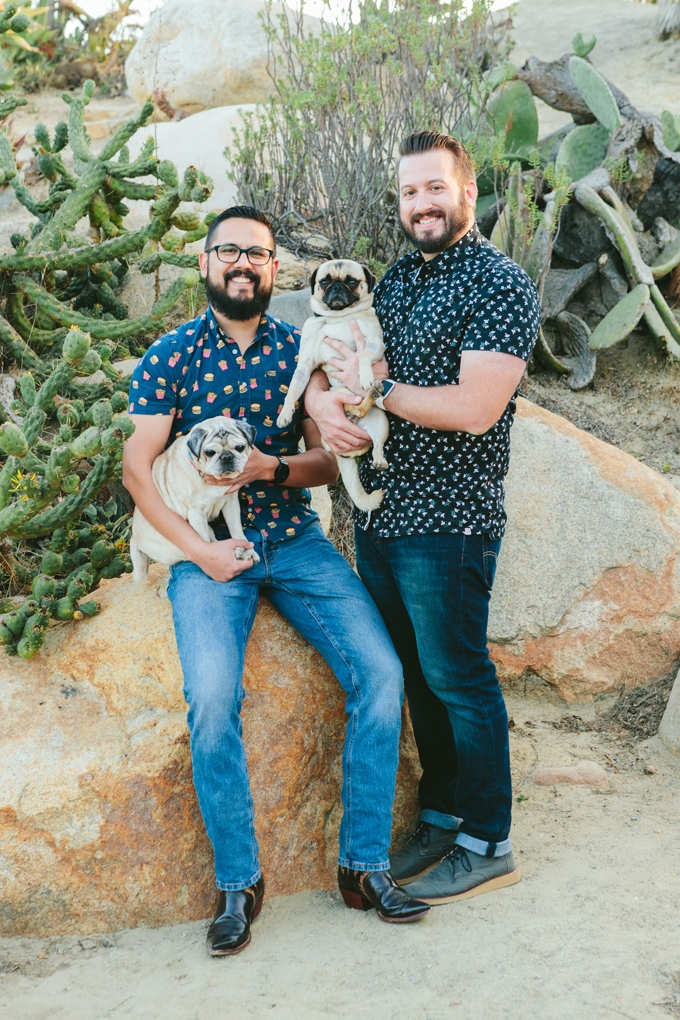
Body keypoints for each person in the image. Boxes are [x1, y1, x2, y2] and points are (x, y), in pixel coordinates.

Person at [122, 205, 430, 957]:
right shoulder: (170, 354)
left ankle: (363, 868)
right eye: (228, 250)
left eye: (257, 255)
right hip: (209, 553)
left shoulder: (304, 348)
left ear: (274, 271)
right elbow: (137, 468)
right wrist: (199, 552)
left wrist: (270, 467)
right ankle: (239, 882)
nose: (242, 264)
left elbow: (329, 460)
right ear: (206, 264)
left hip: (293, 541)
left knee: (382, 673)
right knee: (214, 698)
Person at [304, 132, 541, 905]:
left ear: (465, 192)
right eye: (409, 193)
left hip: (452, 518)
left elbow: (476, 408)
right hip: (382, 515)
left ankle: (489, 837)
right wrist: (326, 407)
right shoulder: (396, 280)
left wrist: (380, 397)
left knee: (459, 676)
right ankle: (443, 813)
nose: (421, 204)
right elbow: (341, 359)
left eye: (434, 189)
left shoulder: (500, 284)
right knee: (416, 676)